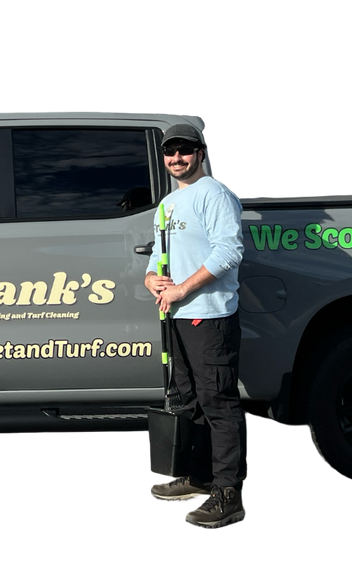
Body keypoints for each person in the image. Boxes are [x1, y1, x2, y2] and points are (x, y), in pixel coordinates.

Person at [143, 123, 250, 531]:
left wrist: (183, 289)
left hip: (209, 313)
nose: (177, 158)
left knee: (218, 401)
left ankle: (229, 492)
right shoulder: (169, 203)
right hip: (175, 314)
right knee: (188, 399)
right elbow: (158, 255)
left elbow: (229, 251)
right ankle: (198, 478)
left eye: (185, 150)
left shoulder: (216, 194)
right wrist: (151, 280)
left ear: (200, 153)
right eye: (171, 152)